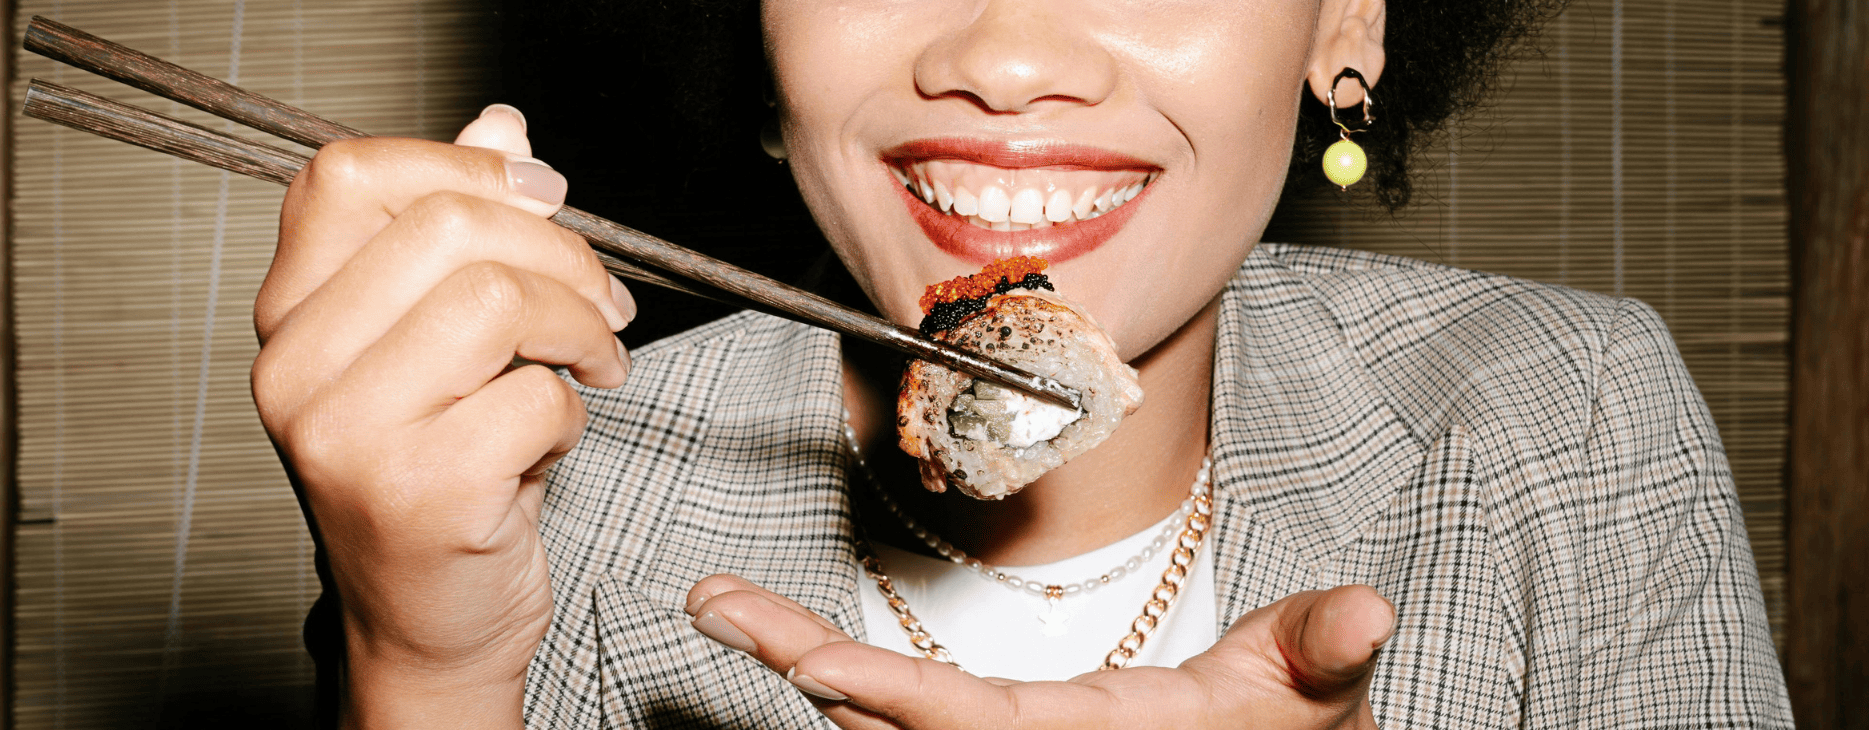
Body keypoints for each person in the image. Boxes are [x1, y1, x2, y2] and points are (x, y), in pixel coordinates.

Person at [251, 0, 1794, 727]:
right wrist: (428, 669)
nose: (1003, 54)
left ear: (1353, 25)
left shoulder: (1570, 416)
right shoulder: (538, 489)